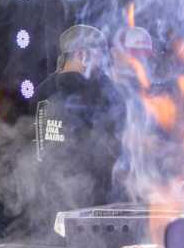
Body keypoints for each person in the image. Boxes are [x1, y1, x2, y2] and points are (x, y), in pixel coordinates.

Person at [30, 25, 124, 235]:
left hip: (48, 202)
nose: (104, 62)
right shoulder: (101, 89)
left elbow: (33, 146)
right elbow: (115, 146)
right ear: (82, 54)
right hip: (94, 205)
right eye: (100, 54)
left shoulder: (42, 90)